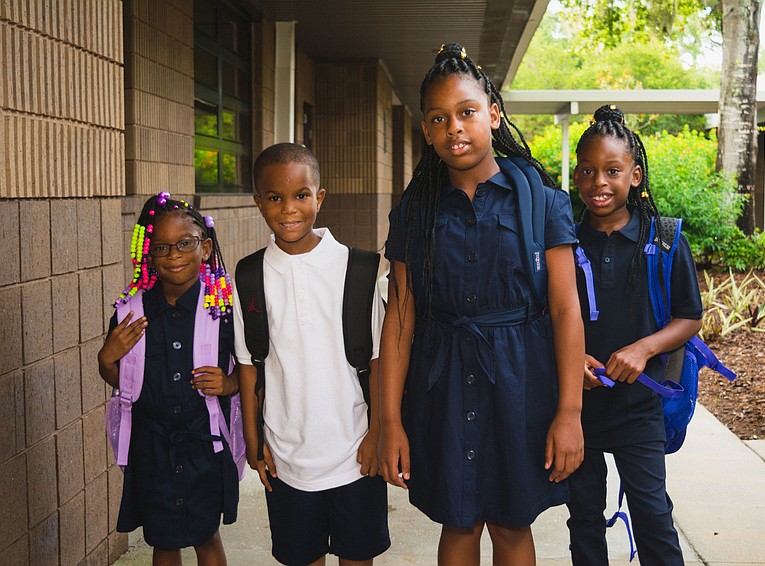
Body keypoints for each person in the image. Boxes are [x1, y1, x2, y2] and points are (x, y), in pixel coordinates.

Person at [377, 42, 585, 566]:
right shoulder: (416, 211)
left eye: (466, 112)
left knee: (512, 525)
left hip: (521, 385)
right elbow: (400, 319)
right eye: (439, 118)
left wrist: (568, 412)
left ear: (492, 113)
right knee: (459, 523)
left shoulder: (542, 201)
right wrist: (389, 420)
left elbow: (564, 311)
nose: (455, 128)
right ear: (425, 130)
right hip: (442, 382)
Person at [232, 143, 390, 566]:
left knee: (358, 557)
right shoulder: (248, 276)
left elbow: (377, 361)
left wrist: (378, 432)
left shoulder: (359, 268)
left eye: (301, 195)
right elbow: (249, 367)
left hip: (356, 452)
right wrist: (253, 441)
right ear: (258, 201)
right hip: (287, 459)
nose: (289, 209)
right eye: (274, 197)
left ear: (320, 197)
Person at [565, 105, 703, 565]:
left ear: (635, 175)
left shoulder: (663, 240)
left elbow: (689, 317)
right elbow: (546, 315)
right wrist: (573, 359)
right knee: (583, 517)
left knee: (653, 515)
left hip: (638, 408)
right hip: (576, 407)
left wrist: (644, 349)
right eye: (587, 171)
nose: (598, 182)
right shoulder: (562, 240)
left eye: (612, 170)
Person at [98, 192, 238, 565]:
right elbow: (119, 379)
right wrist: (105, 358)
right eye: (161, 247)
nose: (174, 255)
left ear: (205, 249)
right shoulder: (131, 312)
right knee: (163, 538)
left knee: (207, 534)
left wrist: (229, 383)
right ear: (149, 254)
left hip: (204, 443)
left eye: (184, 244)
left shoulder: (223, 309)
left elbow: (250, 367)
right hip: (152, 446)